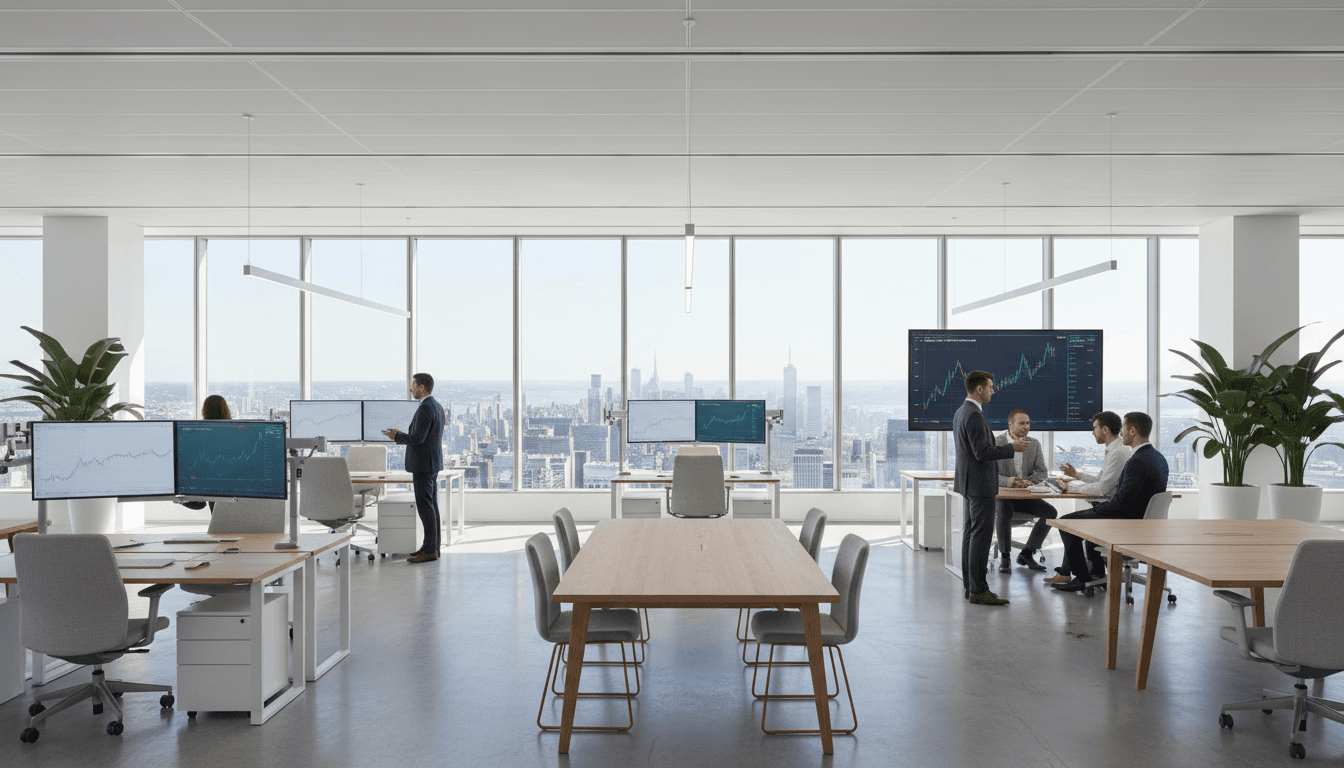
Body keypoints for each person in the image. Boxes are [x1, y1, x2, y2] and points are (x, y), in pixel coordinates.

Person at [1052, 411, 1168, 592]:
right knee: (1084, 518)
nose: (1121, 433)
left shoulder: (1137, 461)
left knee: (1065, 523)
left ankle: (1082, 579)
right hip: (1142, 523)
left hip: (1127, 523)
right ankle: (1097, 575)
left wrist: (1100, 508)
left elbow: (1121, 503)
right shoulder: (1158, 458)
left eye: (1124, 428)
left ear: (1132, 431)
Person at [953, 370, 1029, 606]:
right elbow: (982, 452)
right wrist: (1011, 448)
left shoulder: (961, 412)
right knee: (981, 537)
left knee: (971, 535)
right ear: (979, 389)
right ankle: (979, 589)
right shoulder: (974, 415)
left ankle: (971, 585)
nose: (993, 390)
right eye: (990, 386)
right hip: (980, 485)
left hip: (969, 484)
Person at [1044, 410, 1132, 585]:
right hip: (1108, 505)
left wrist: (1072, 488)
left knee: (1066, 524)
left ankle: (1081, 578)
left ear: (1105, 429)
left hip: (1109, 508)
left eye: (1095, 428)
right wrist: (1077, 476)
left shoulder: (1117, 453)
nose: (1093, 433)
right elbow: (1101, 480)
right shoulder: (1114, 450)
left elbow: (1102, 488)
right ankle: (1091, 573)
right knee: (1072, 523)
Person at [383, 373, 445, 564]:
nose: (411, 389)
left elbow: (418, 438)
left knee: (426, 508)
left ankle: (429, 551)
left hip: (423, 465)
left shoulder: (426, 408)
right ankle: (432, 548)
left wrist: (397, 436)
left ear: (422, 387)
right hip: (431, 464)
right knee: (431, 506)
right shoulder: (437, 406)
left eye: (413, 385)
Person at [992, 409, 1056, 574]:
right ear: (1010, 424)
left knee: (1050, 512)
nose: (1026, 427)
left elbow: (1042, 472)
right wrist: (1010, 482)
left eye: (1028, 423)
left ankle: (1027, 553)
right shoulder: (996, 443)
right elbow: (989, 474)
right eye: (1021, 423)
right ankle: (1005, 556)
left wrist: (1027, 483)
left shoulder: (1034, 444)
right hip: (1002, 497)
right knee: (1003, 509)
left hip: (1025, 496)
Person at [183, 395, 232, 511]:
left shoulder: (198, 436)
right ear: (225, 410)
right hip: (234, 488)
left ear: (204, 411)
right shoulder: (234, 433)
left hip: (212, 488)